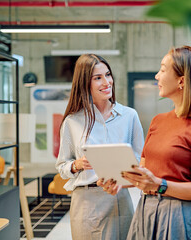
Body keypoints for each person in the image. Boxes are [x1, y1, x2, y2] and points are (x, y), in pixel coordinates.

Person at [122, 46, 191, 240]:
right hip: (145, 209)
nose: (157, 76)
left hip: (178, 215)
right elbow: (144, 173)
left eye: (163, 69)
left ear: (181, 81)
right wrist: (118, 180)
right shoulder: (157, 121)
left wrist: (161, 185)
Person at [55, 54, 144, 240]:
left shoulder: (129, 116)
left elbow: (140, 160)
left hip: (119, 198)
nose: (107, 82)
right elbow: (62, 166)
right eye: (98, 78)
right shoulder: (72, 121)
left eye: (108, 75)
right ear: (84, 83)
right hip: (86, 201)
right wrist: (77, 164)